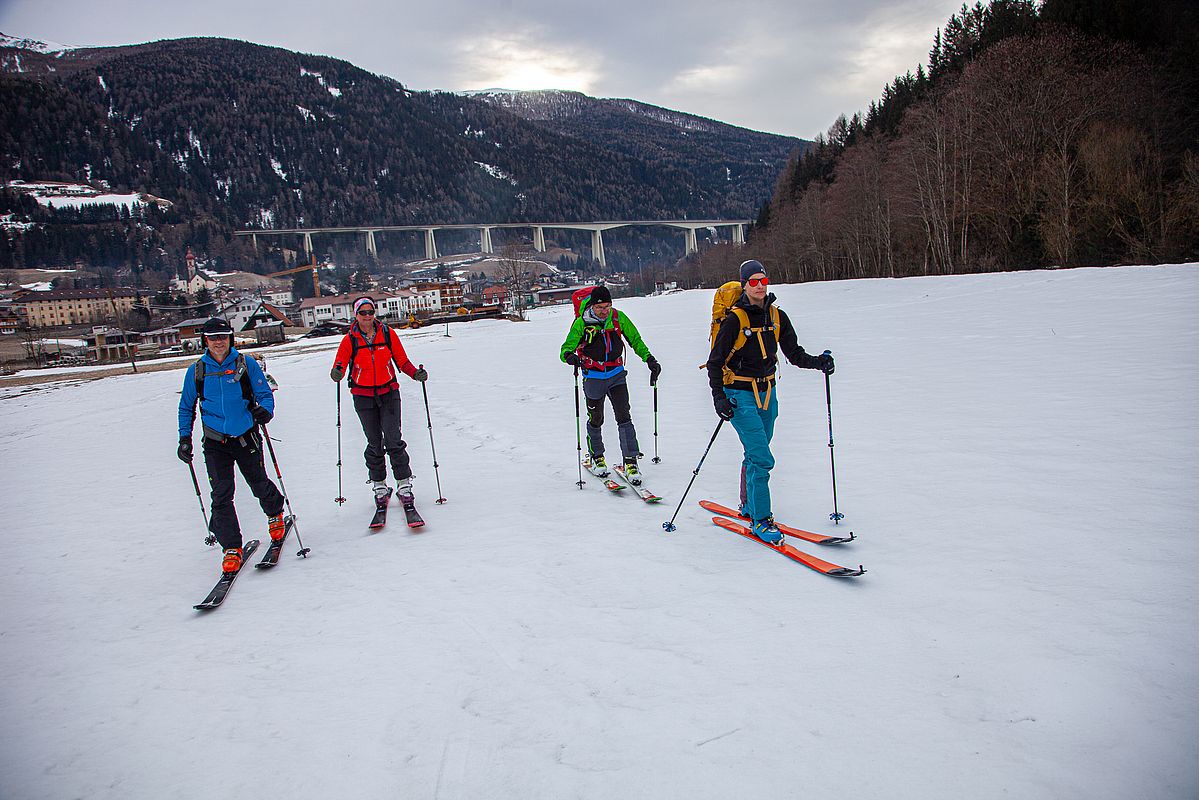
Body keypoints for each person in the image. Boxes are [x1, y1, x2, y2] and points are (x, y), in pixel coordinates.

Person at [706, 260, 834, 545]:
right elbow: (715, 362)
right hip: (739, 396)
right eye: (753, 282)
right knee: (762, 458)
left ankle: (749, 505)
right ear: (744, 285)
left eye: (763, 280)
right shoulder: (734, 320)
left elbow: (795, 354)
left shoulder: (777, 316)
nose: (760, 286)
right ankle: (761, 520)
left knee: (755, 454)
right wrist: (719, 397)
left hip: (768, 393)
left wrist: (819, 363)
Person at [177, 317, 286, 573]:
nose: (218, 342)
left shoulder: (245, 364)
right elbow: (186, 407)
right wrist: (184, 438)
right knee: (221, 495)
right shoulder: (197, 371)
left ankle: (275, 514)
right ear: (205, 340)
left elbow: (263, 393)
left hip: (245, 435)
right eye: (213, 337)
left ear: (230, 339)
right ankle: (231, 548)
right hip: (216, 441)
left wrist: (265, 411)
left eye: (223, 337)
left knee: (258, 482)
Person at [329, 296, 428, 504]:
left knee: (394, 440)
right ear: (356, 315)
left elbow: (402, 360)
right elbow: (340, 362)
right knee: (374, 442)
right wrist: (337, 371)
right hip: (363, 396)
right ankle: (380, 485)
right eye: (363, 313)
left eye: (370, 312)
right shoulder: (350, 339)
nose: (367, 316)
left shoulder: (387, 334)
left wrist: (415, 374)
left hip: (389, 393)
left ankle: (404, 483)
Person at [559, 285, 661, 485]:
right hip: (593, 377)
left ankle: (631, 460)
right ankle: (597, 457)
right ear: (592, 307)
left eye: (608, 306)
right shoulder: (581, 323)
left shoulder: (618, 318)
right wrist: (570, 357)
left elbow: (635, 339)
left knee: (624, 416)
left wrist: (649, 359)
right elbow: (565, 348)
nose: (605, 311)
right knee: (596, 419)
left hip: (616, 375)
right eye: (600, 308)